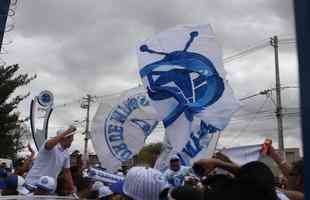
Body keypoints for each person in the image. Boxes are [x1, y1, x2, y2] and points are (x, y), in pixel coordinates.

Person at [25, 125, 77, 194]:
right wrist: (67, 132)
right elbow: (49, 145)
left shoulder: (66, 153)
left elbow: (67, 172)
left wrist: (72, 187)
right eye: (71, 137)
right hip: (33, 184)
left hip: (48, 188)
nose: (72, 140)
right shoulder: (51, 144)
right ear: (65, 138)